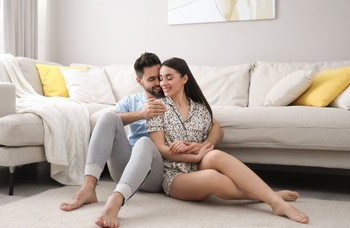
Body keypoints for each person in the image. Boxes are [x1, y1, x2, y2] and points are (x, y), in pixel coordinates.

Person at [60, 52, 223, 228]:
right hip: (125, 164)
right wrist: (141, 114)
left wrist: (204, 146)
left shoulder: (172, 98)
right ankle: (88, 187)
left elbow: (216, 126)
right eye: (152, 79)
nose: (160, 83)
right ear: (140, 81)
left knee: (144, 142)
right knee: (108, 117)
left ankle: (115, 201)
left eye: (160, 77)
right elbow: (108, 122)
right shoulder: (131, 101)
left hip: (155, 169)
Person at [146, 57, 309, 224]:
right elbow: (160, 149)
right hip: (175, 175)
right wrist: (195, 156)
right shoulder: (157, 107)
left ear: (184, 79)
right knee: (212, 176)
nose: (163, 82)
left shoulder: (201, 109)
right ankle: (271, 197)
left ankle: (276, 203)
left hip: (199, 164)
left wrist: (203, 146)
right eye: (161, 78)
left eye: (169, 77)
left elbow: (217, 130)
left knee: (216, 155)